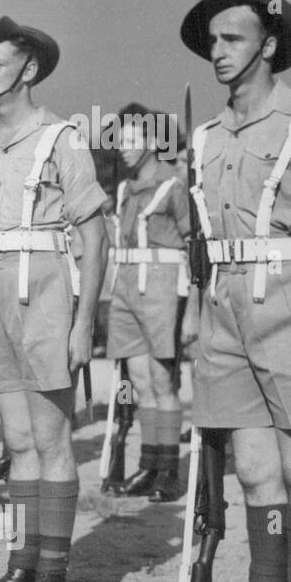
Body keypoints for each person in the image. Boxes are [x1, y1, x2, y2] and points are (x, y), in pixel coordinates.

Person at [177, 0, 291, 582]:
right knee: (256, 469)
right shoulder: (204, 137)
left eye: (232, 38)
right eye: (212, 41)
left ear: (269, 43)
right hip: (224, 309)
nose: (218, 52)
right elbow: (196, 237)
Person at [0, 16, 107, 582]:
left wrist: (83, 322)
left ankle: (53, 575)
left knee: (49, 438)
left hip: (42, 289)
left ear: (30, 68)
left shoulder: (61, 137)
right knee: (16, 441)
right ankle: (21, 566)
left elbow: (95, 239)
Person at [103, 103, 191, 502]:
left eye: (131, 139)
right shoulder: (123, 189)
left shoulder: (175, 185)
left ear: (155, 142)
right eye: (119, 140)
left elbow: (193, 246)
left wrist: (193, 311)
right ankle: (148, 462)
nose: (122, 147)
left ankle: (168, 469)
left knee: (161, 380)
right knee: (139, 382)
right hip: (125, 289)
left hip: (162, 286)